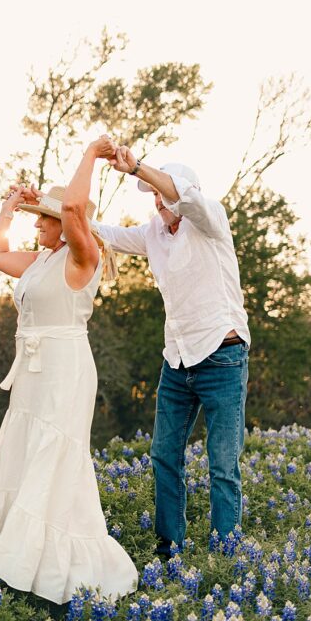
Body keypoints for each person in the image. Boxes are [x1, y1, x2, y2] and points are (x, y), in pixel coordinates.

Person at [0, 136, 138, 604]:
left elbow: (73, 210)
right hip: (31, 370)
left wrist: (90, 154)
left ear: (63, 225)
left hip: (65, 368)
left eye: (43, 219)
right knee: (27, 450)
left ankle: (51, 567)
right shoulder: (41, 260)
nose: (39, 226)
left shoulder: (81, 256)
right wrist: (9, 207)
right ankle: (21, 555)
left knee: (55, 454)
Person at [96, 146, 250, 557]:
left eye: (164, 194)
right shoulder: (154, 233)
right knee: (164, 454)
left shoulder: (209, 219)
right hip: (178, 361)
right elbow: (106, 233)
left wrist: (137, 168)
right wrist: (56, 207)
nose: (159, 202)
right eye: (154, 196)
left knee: (222, 464)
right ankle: (169, 548)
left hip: (222, 354)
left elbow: (182, 195)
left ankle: (225, 556)